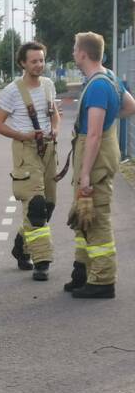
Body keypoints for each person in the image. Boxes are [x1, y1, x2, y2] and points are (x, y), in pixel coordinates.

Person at [64, 32, 135, 299]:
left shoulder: (97, 86)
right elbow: (131, 107)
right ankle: (82, 271)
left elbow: (93, 135)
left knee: (97, 217)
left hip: (94, 162)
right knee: (85, 215)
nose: (73, 53)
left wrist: (84, 176)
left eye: (74, 49)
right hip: (103, 157)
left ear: (83, 53)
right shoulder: (110, 79)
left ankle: (103, 280)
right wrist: (108, 117)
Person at [0, 41, 60, 281]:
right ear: (23, 63)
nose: (39, 65)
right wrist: (22, 135)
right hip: (26, 150)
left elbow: (55, 116)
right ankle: (42, 261)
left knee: (49, 205)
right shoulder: (13, 90)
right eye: (34, 61)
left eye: (41, 60)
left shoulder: (49, 86)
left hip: (48, 151)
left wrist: (54, 129)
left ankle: (21, 244)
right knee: (36, 206)